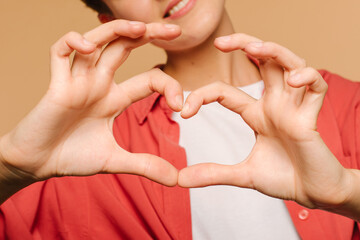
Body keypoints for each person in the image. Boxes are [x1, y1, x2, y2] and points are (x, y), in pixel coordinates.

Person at [0, 0, 359, 239]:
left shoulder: (348, 103)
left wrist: (345, 193)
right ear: (111, 19)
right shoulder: (84, 153)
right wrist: (9, 166)